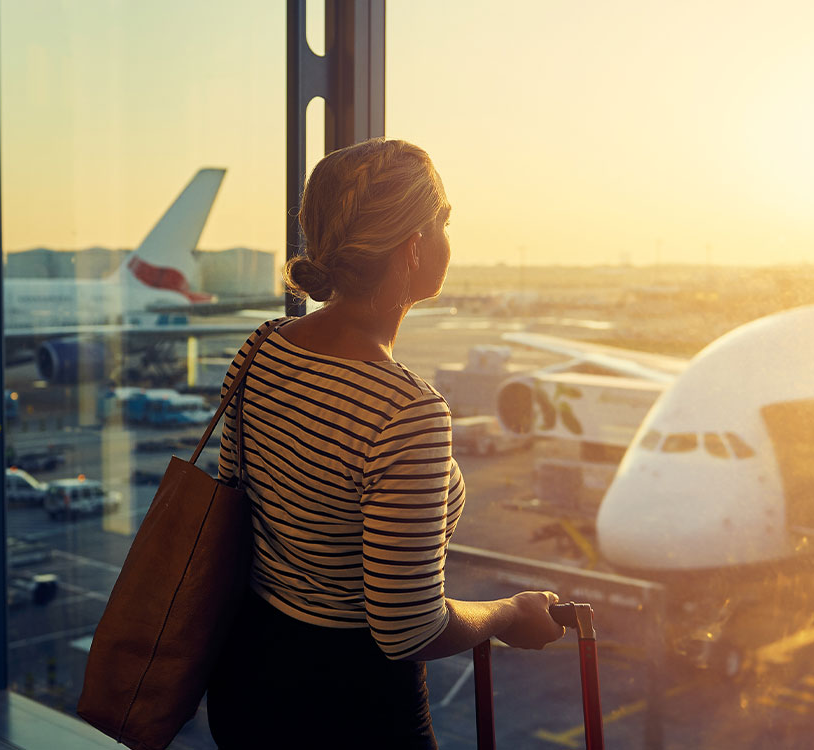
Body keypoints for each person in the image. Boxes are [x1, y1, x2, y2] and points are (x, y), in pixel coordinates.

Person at [205, 138, 564, 748]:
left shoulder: (262, 346)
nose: (449, 239)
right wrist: (507, 616)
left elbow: (232, 502)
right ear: (414, 246)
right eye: (443, 220)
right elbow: (407, 629)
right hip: (349, 709)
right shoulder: (406, 411)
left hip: (247, 678)